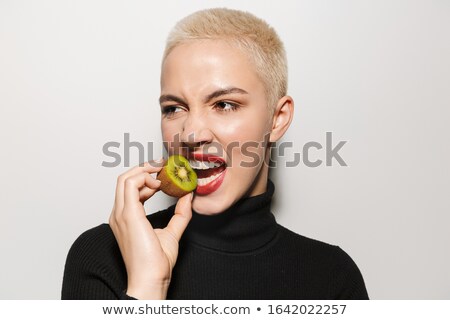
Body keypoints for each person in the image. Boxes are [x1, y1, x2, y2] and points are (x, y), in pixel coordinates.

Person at [61, 8, 369, 300]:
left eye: (224, 104)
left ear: (277, 119)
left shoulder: (332, 278)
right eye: (174, 108)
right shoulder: (100, 256)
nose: (191, 133)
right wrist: (148, 286)